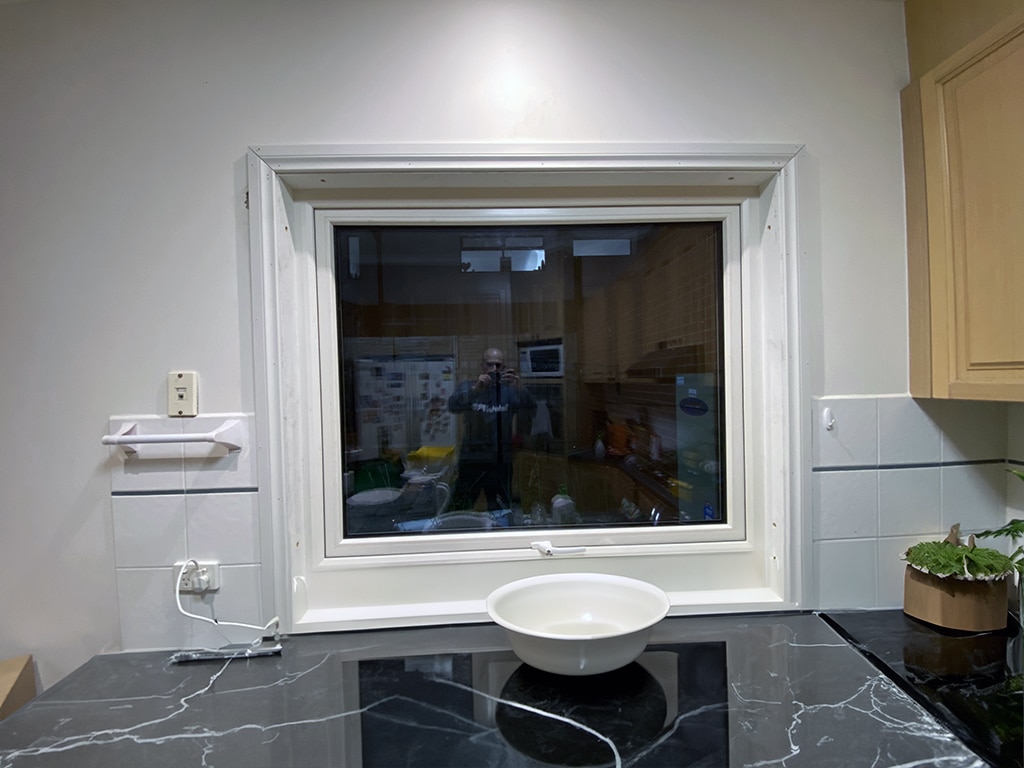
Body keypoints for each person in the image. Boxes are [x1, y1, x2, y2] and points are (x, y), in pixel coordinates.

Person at [447, 348, 536, 511]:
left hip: (500, 460)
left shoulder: (510, 390)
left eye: (498, 365)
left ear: (503, 368)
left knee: (500, 508)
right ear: (482, 365)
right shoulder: (469, 387)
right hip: (471, 458)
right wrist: (476, 390)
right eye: (490, 364)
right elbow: (452, 406)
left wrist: (520, 388)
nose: (494, 369)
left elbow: (531, 412)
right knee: (460, 505)